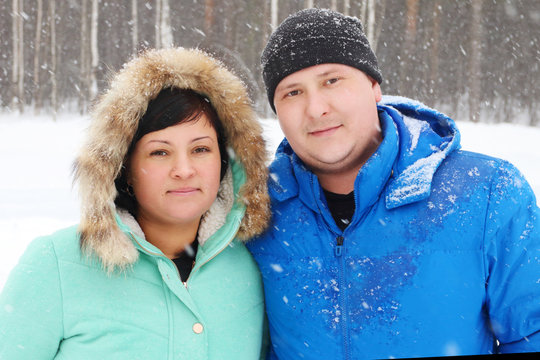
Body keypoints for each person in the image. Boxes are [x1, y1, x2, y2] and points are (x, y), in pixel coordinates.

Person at [246, 8, 540, 359]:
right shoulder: (255, 209)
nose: (315, 108)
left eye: (332, 81)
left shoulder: (487, 191)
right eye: (292, 92)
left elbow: (530, 335)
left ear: (373, 87)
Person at [0, 47, 271, 359]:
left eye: (200, 149)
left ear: (224, 162)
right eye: (160, 152)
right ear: (125, 169)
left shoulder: (250, 267)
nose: (184, 170)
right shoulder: (56, 266)